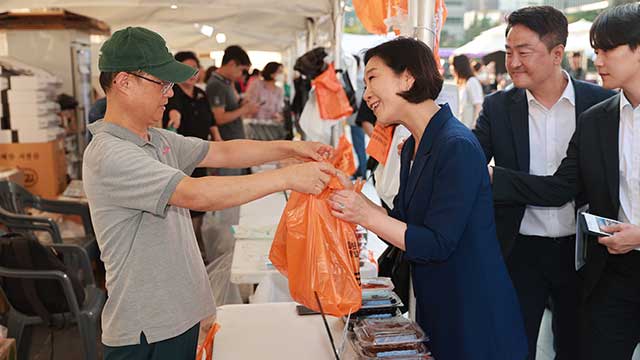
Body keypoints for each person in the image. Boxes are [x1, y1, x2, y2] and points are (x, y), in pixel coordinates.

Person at [83, 27, 336, 360]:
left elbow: (224, 152)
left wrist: (293, 147)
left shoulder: (155, 140)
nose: (170, 94)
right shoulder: (110, 154)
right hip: (149, 329)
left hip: (177, 317)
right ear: (124, 82)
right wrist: (288, 177)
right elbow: (196, 194)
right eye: (162, 84)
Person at [329, 37, 528, 360]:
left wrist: (365, 215)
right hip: (437, 305)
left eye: (372, 78)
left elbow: (437, 242)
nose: (366, 94)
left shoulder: (456, 146)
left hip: (473, 311)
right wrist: (355, 200)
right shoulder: (412, 146)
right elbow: (403, 226)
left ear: (408, 78)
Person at [488, 4, 640, 359]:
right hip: (612, 272)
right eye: (596, 50)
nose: (597, 61)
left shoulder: (591, 105)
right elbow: (560, 186)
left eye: (608, 50)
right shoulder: (598, 119)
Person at [161, 51, 220, 262]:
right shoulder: (172, 94)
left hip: (203, 153)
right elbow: (173, 113)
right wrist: (173, 118)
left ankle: (197, 245)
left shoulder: (201, 94)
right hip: (181, 156)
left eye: (194, 69)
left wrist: (217, 138)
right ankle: (191, 248)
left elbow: (211, 119)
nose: (192, 74)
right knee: (188, 202)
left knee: (201, 203)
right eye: (186, 69)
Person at [205, 45, 257, 145]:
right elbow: (219, 118)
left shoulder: (226, 82)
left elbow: (229, 109)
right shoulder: (217, 84)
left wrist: (242, 105)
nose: (242, 74)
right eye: (242, 70)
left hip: (233, 140)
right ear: (232, 64)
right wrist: (244, 109)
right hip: (226, 142)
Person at [450, 54, 484, 128]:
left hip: (470, 130)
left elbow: (479, 106)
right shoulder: (464, 83)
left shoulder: (472, 81)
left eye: (452, 65)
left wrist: (474, 128)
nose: (451, 68)